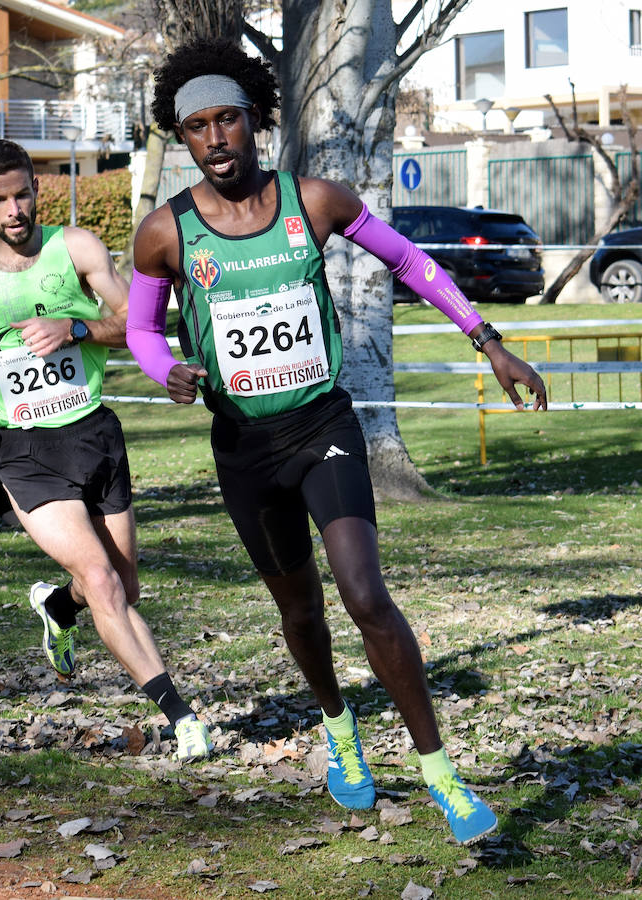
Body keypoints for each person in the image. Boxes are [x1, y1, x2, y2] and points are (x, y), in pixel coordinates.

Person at [125, 39, 548, 843]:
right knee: (301, 612)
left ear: (255, 122)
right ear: (181, 138)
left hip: (322, 425)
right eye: (197, 128)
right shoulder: (164, 233)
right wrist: (167, 370)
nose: (216, 139)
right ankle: (337, 724)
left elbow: (411, 262)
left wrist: (487, 339)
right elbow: (142, 330)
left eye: (229, 121)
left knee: (364, 595)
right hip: (244, 448)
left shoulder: (314, 201)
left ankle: (439, 774)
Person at [0, 139, 211, 761]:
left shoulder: (76, 249)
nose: (14, 208)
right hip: (25, 451)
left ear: (36, 188)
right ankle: (181, 715)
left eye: (22, 192)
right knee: (103, 580)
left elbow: (137, 324)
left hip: (94, 435)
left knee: (123, 587)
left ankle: (58, 605)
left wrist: (75, 327)